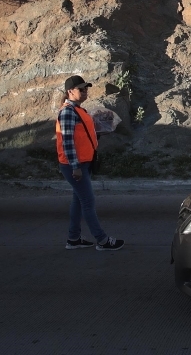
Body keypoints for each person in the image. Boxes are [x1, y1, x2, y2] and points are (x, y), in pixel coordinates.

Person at [57, 75, 124, 251]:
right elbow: (68, 142)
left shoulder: (80, 110)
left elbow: (84, 135)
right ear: (70, 91)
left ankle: (73, 239)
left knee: (78, 202)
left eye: (86, 88)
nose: (85, 91)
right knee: (87, 202)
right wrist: (75, 167)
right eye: (81, 89)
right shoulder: (67, 113)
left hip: (84, 163)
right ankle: (102, 240)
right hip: (75, 165)